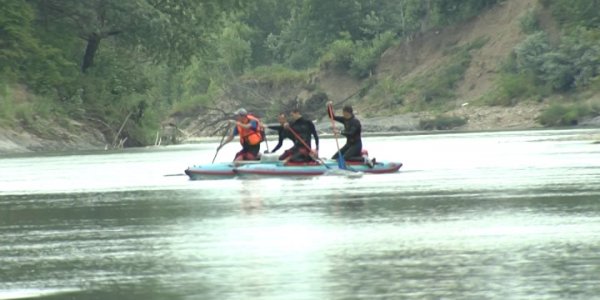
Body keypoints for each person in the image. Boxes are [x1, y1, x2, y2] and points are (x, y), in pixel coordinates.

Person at [327, 101, 374, 167]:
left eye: (343, 112)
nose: (342, 114)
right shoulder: (344, 119)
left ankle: (364, 159)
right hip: (349, 144)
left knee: (345, 157)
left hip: (356, 145)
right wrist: (329, 107)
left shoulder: (355, 122)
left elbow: (351, 133)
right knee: (335, 157)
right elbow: (332, 117)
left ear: (347, 112)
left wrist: (339, 132)